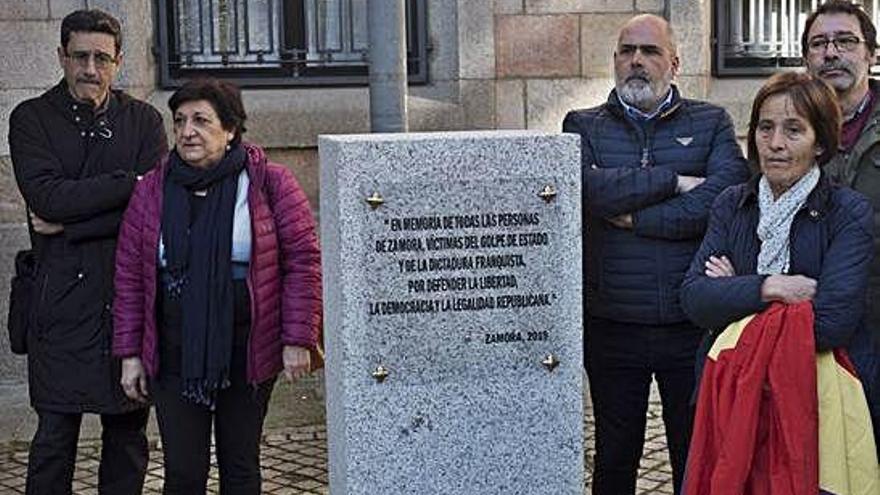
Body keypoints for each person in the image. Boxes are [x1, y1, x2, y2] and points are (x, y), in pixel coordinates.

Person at [562, 13, 749, 495]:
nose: (636, 62)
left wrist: (638, 217)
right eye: (627, 51)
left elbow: (725, 197)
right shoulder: (582, 125)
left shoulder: (710, 123)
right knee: (615, 455)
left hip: (689, 325)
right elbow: (588, 191)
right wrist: (672, 180)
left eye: (649, 52)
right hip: (611, 323)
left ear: (674, 63)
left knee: (694, 452)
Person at [112, 78, 323, 494]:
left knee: (240, 465)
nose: (187, 130)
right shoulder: (152, 189)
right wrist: (130, 354)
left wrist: (298, 337)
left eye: (201, 120)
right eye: (180, 120)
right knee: (184, 472)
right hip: (174, 353)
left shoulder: (269, 183)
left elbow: (302, 261)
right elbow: (131, 276)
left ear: (230, 130)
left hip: (248, 351)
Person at [680, 71, 879, 489]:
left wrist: (736, 290)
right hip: (730, 396)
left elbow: (832, 322)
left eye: (794, 130)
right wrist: (769, 286)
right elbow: (696, 298)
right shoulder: (732, 204)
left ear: (820, 142)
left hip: (818, 400)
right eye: (765, 128)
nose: (775, 143)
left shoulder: (848, 212)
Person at [7, 9, 167, 494]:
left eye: (102, 58)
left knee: (127, 438)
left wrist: (73, 226)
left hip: (127, 304)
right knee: (54, 439)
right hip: (59, 307)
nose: (90, 69)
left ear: (118, 62)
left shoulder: (143, 121)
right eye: (80, 56)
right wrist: (128, 184)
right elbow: (48, 199)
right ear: (61, 57)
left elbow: (155, 210)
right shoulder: (31, 119)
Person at [802, 0, 880, 433]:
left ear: (872, 52)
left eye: (846, 41)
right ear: (806, 59)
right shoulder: (783, 126)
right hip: (812, 330)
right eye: (819, 44)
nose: (831, 52)